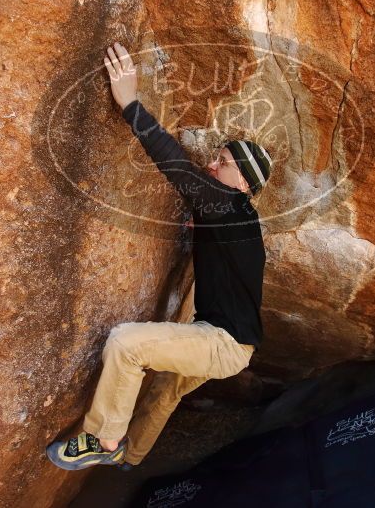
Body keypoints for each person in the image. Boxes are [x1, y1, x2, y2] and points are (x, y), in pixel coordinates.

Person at [46, 41, 272, 471]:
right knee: (166, 392)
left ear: (242, 182)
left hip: (222, 344)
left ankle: (104, 440)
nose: (211, 164)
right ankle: (132, 458)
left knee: (126, 345)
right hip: (225, 338)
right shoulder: (237, 218)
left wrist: (130, 102)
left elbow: (177, 168)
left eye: (222, 162)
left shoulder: (233, 208)